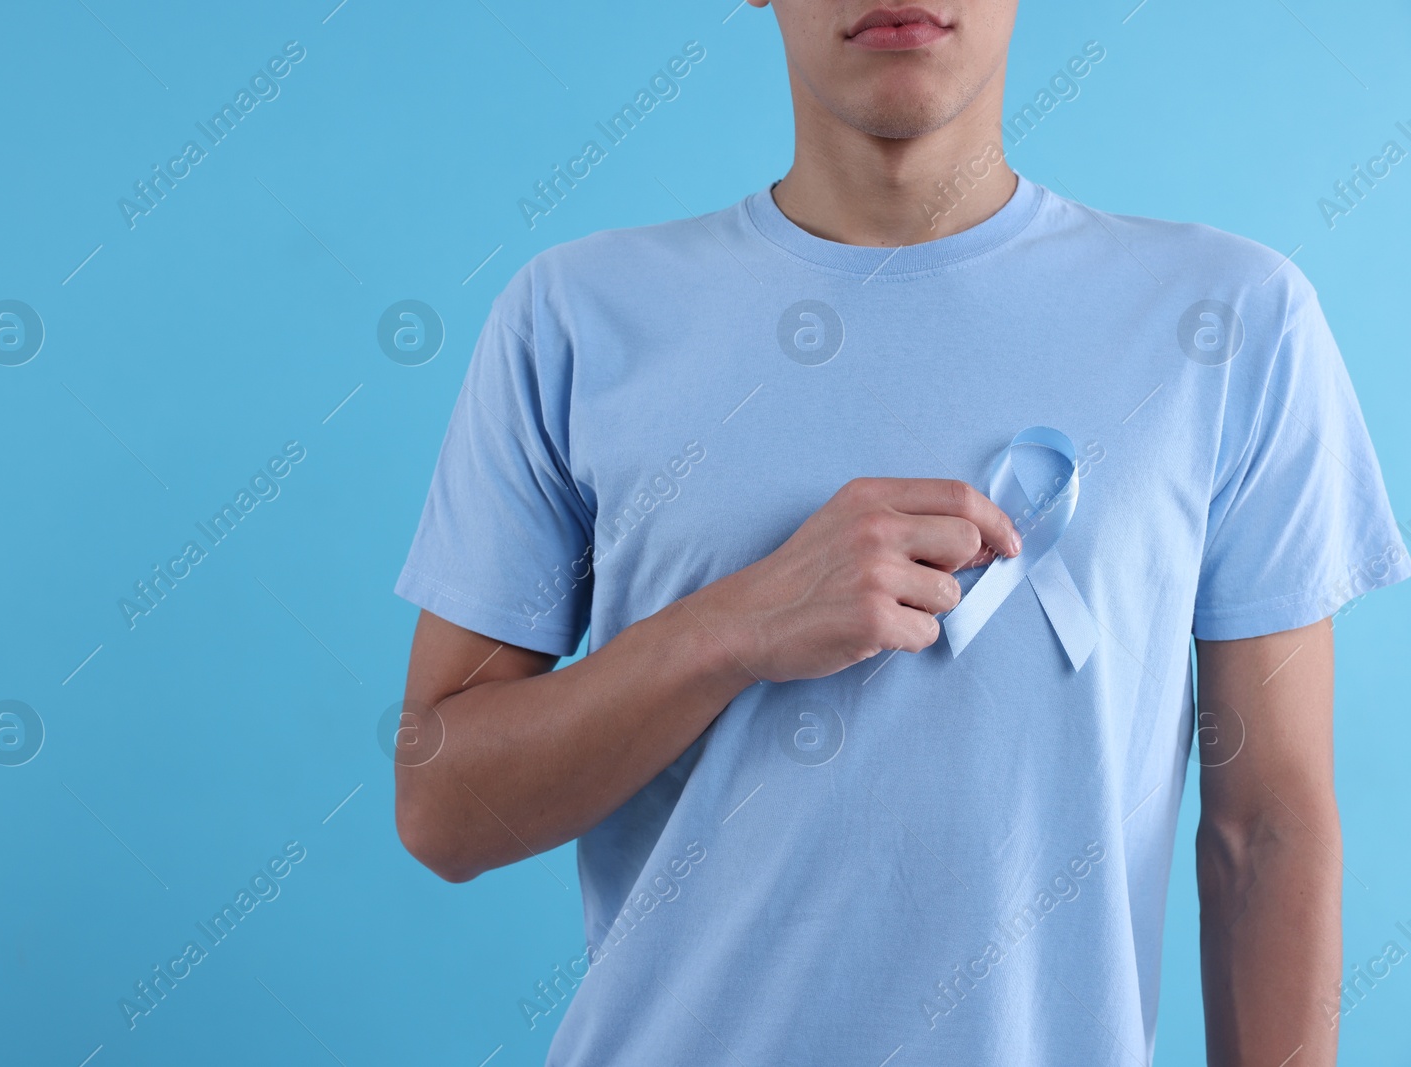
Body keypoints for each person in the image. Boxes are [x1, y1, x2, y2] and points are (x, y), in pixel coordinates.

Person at [391, 3, 1408, 1063]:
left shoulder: (1230, 320)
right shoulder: (572, 317)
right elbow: (443, 809)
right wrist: (731, 625)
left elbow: (1266, 834)